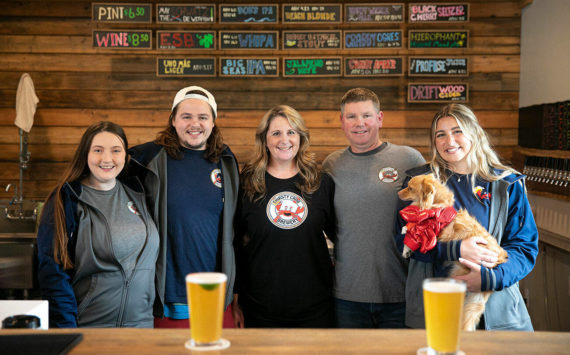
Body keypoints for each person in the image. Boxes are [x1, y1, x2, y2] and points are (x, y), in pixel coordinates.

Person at [398, 103, 538, 330]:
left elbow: (524, 247)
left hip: (498, 312)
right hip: (437, 308)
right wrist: (456, 250)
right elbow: (403, 242)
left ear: (474, 133)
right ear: (434, 142)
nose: (449, 141)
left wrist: (491, 278)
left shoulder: (506, 183)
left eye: (457, 131)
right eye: (440, 135)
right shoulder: (423, 183)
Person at [127, 86, 239, 328]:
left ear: (213, 122)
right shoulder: (147, 159)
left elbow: (234, 230)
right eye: (186, 116)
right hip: (166, 295)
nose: (194, 124)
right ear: (173, 121)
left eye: (202, 117)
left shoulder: (226, 161)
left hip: (215, 292)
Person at [37, 121, 159, 328]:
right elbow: (52, 273)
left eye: (116, 150)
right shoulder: (66, 200)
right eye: (98, 150)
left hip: (141, 326)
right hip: (92, 327)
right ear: (86, 154)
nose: (107, 159)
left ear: (125, 156)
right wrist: (66, 330)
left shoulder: (139, 193)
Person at [322, 88, 425, 328]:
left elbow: (431, 216)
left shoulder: (409, 159)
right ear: (342, 122)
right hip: (346, 296)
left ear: (379, 118)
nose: (360, 123)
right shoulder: (331, 165)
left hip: (400, 294)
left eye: (367, 115)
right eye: (351, 117)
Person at [232, 105, 336, 328]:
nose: (284, 139)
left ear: (301, 138)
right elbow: (235, 244)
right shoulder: (247, 182)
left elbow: (340, 237)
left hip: (315, 307)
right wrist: (235, 297)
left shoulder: (321, 182)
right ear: (265, 140)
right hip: (260, 308)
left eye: (291, 132)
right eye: (276, 133)